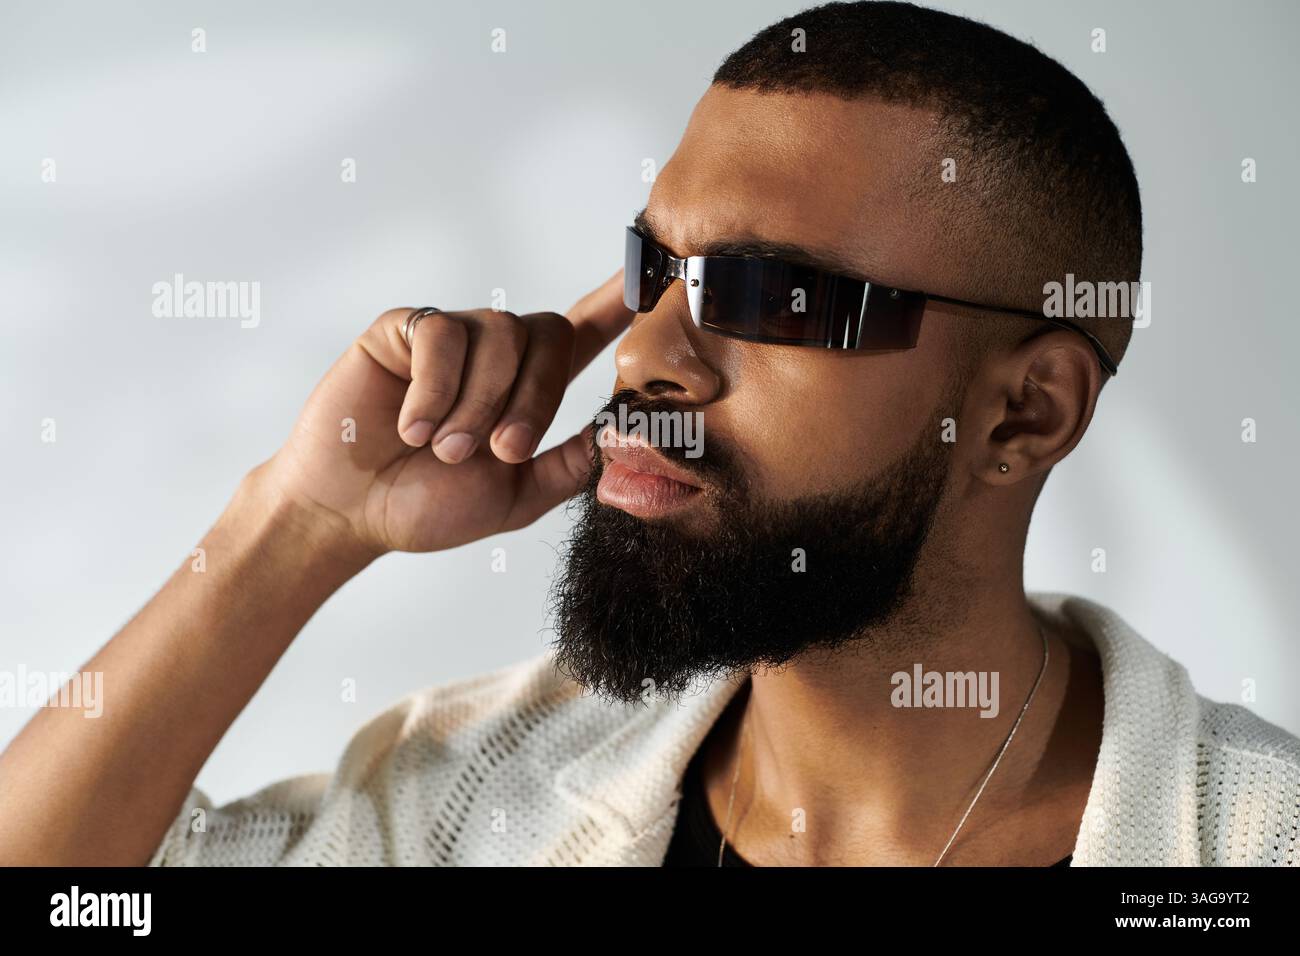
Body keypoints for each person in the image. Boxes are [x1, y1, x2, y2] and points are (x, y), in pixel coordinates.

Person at [2, 0, 1297, 867]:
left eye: (771, 295)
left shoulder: (1247, 843)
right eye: (655, 268)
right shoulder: (472, 803)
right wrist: (293, 526)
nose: (648, 354)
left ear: (1026, 411)